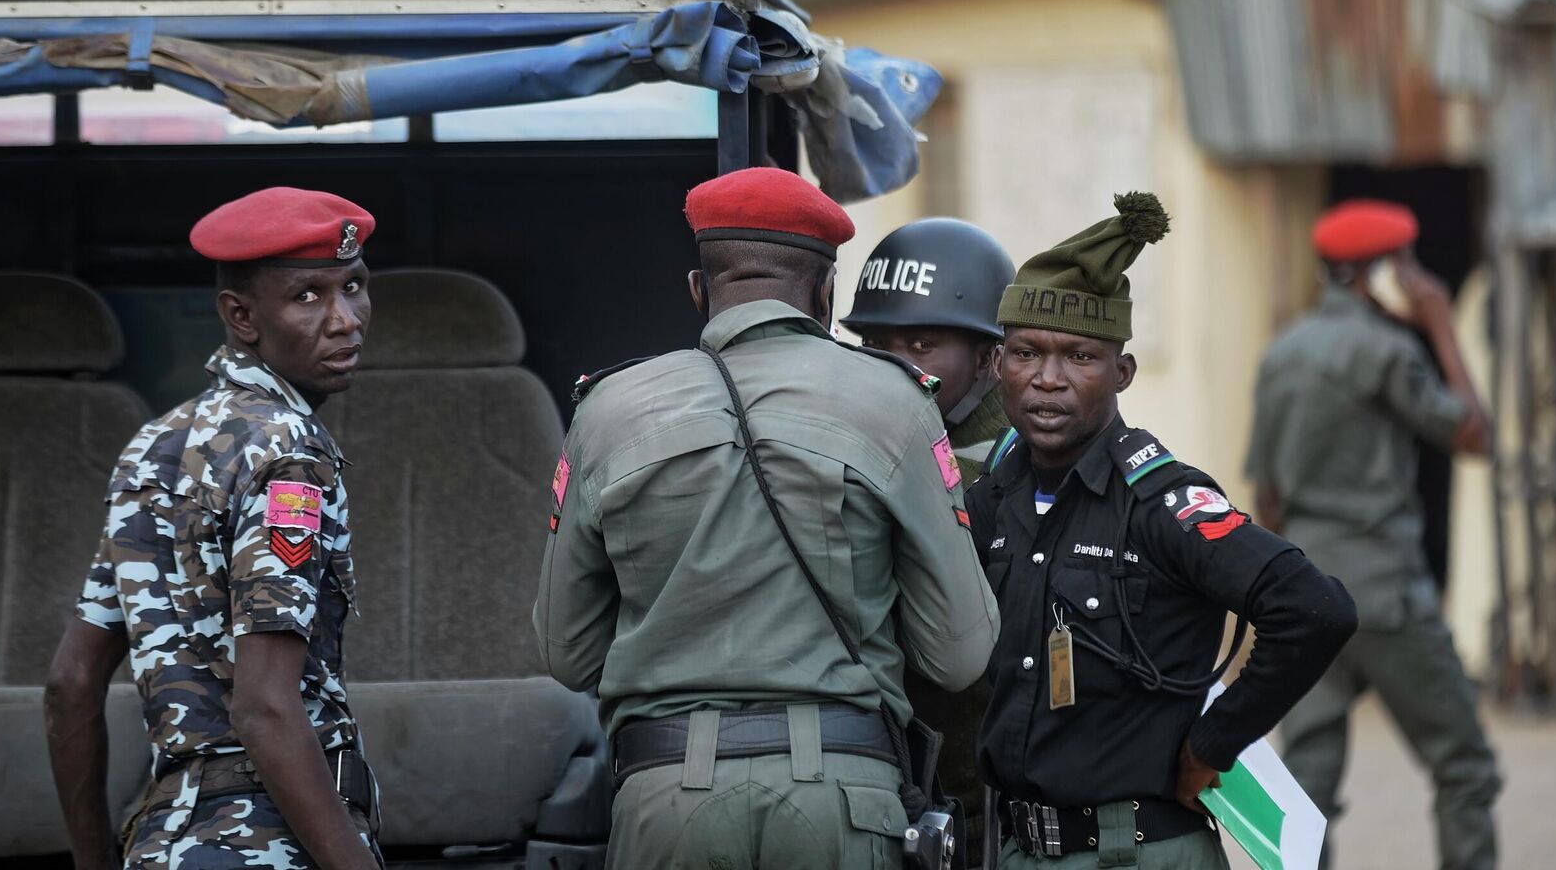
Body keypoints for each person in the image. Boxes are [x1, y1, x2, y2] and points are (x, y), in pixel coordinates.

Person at [534, 167, 999, 870]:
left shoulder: (607, 409)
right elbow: (958, 656)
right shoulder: (897, 403)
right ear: (825, 291)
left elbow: (566, 654)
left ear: (699, 289)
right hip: (844, 797)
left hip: (664, 801)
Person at [966, 192, 1357, 869]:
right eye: (1027, 352)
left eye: (1080, 358)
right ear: (1000, 367)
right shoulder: (996, 498)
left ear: (1122, 373)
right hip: (1022, 850)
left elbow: (1314, 609)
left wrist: (1215, 744)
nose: (1049, 380)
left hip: (1137, 852)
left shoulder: (1160, 502)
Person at [43, 187, 381, 870]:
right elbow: (262, 707)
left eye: (354, 286)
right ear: (241, 316)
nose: (346, 319)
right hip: (272, 841)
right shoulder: (288, 453)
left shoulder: (153, 444)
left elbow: (70, 682)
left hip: (164, 841)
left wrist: (91, 860)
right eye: (309, 297)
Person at [1247, 198, 1500, 870]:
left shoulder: (1283, 352)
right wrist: (1442, 324)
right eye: (1407, 265)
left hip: (1309, 595)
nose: (1417, 279)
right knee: (1465, 764)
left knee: (1307, 787)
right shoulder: (1390, 350)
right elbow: (1474, 435)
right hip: (1388, 597)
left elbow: (1266, 498)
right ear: (1376, 274)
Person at [842, 217, 1017, 866]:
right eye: (876, 343)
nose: (894, 366)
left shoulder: (1028, 460)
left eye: (921, 344)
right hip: (902, 790)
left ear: (988, 356)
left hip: (996, 805)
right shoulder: (860, 441)